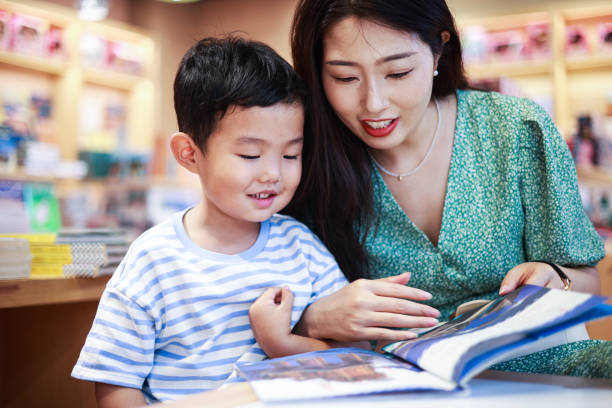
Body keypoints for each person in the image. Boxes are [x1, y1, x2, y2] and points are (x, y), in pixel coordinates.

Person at [278, 0, 611, 377]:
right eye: (345, 78)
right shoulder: (305, 159)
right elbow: (262, 301)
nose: (374, 103)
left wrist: (556, 278)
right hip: (401, 388)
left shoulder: (516, 129)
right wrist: (315, 317)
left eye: (398, 72)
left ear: (439, 49)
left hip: (542, 378)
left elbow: (588, 279)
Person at [71, 36, 351, 406]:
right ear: (189, 154)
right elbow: (115, 383)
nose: (272, 173)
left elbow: (352, 351)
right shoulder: (153, 260)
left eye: (290, 154)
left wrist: (280, 344)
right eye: (250, 154)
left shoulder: (301, 247)